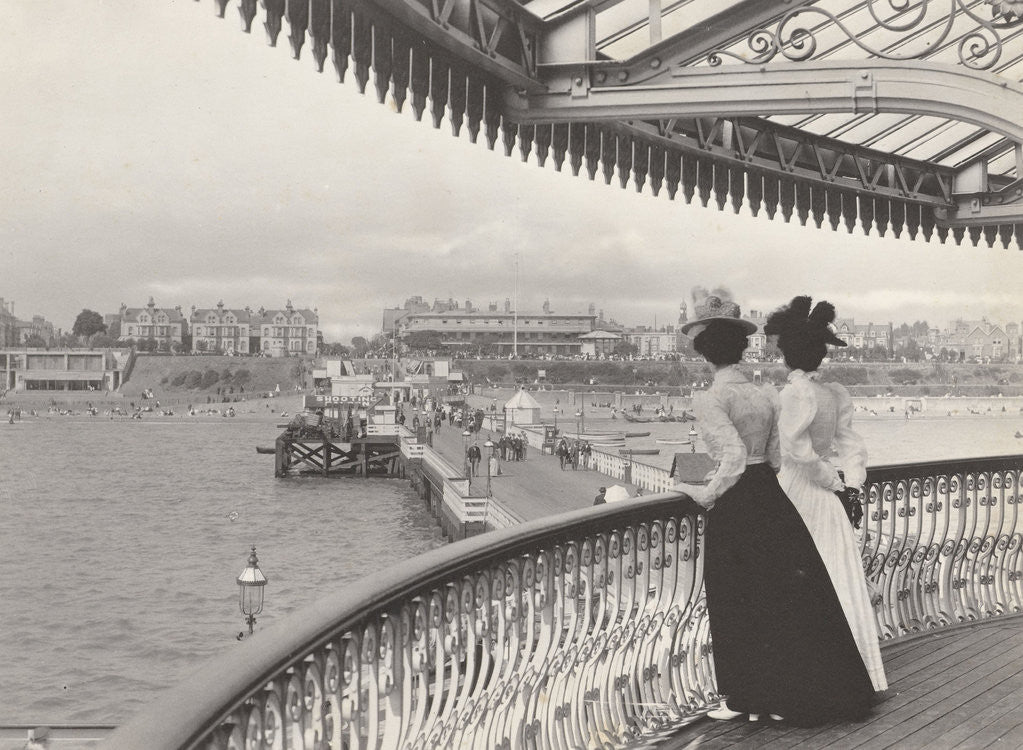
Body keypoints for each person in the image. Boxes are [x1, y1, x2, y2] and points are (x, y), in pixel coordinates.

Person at [674, 295, 873, 726]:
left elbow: (730, 458)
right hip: (771, 496)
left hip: (737, 501)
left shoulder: (709, 398)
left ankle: (745, 695)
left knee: (735, 598)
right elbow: (777, 456)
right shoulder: (766, 394)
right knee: (780, 599)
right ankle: (784, 694)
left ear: (705, 354)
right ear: (741, 351)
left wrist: (703, 494)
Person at [765, 295, 888, 695]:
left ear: (788, 355)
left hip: (798, 491)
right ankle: (851, 672)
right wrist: (851, 485)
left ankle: (801, 677)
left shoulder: (795, 394)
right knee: (837, 576)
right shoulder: (834, 393)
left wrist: (835, 483)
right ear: (818, 354)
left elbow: (795, 450)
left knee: (793, 581)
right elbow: (852, 446)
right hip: (827, 496)